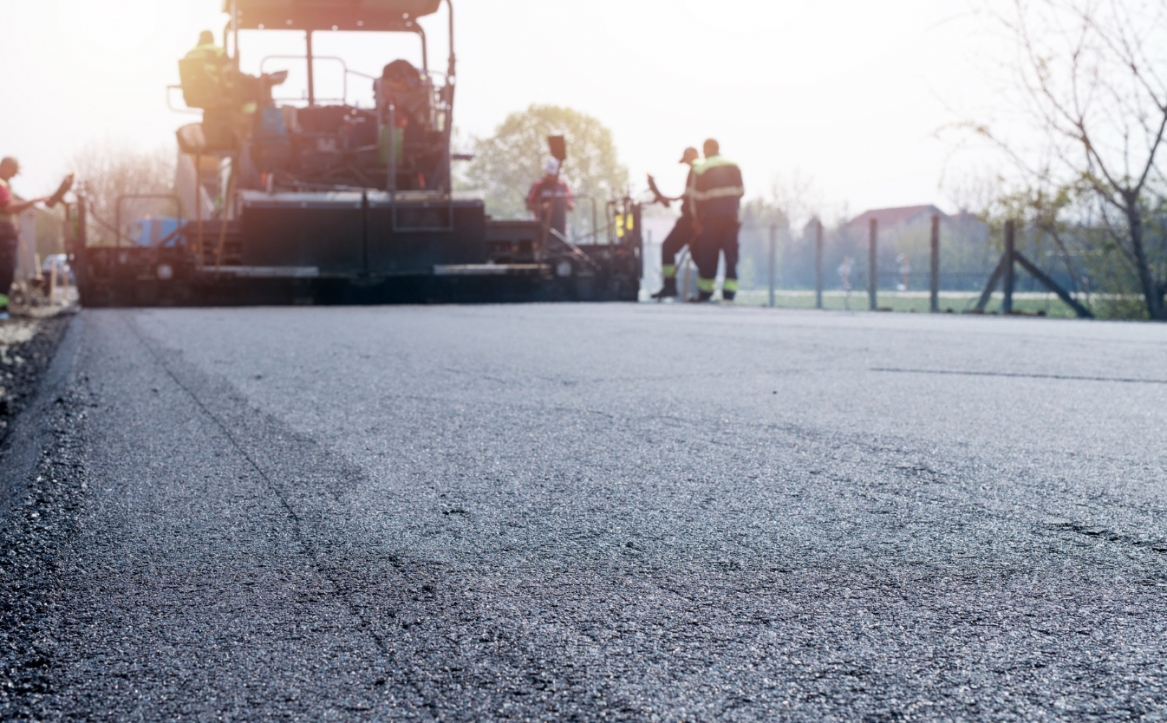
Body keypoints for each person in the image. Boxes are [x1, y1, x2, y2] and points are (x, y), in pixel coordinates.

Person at [690, 139, 745, 302]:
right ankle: (729, 294)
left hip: (711, 219)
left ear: (706, 149)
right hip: (731, 218)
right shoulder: (733, 165)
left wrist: (697, 219)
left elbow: (696, 198)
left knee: (708, 255)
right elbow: (741, 191)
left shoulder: (700, 168)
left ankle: (705, 293)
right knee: (731, 256)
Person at [0, 157, 49, 319]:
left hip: (7, 235)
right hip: (3, 237)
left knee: (7, 271)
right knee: (5, 271)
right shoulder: (1, 185)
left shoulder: (5, 185)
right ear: (6, 167)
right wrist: (33, 201)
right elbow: (8, 209)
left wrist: (16, 230)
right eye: (13, 171)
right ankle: (1, 310)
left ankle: (3, 308)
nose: (14, 175)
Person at [650, 147, 700, 300]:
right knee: (699, 254)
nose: (686, 164)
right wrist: (669, 199)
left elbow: (694, 198)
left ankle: (670, 286)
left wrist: (696, 219)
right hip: (694, 219)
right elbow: (687, 196)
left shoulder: (697, 170)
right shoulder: (696, 171)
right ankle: (702, 291)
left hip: (691, 220)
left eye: (686, 160)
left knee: (668, 247)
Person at [526, 158, 575, 239]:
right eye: (549, 174)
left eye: (553, 174)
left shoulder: (563, 185)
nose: (551, 176)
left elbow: (572, 206)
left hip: (561, 229)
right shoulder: (539, 185)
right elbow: (528, 205)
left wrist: (567, 202)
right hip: (541, 228)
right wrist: (542, 207)